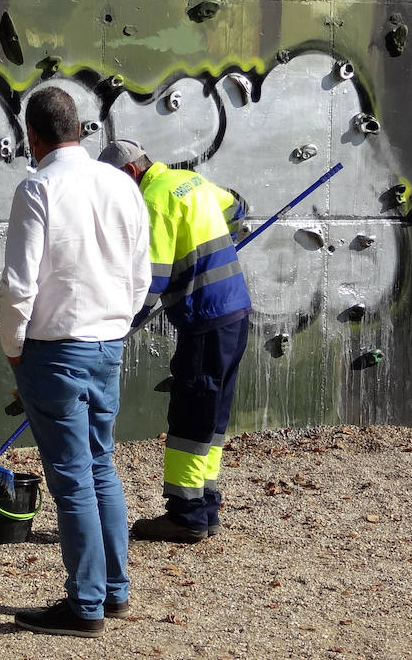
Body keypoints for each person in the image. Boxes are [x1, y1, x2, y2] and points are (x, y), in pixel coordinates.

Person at [0, 88, 150, 638]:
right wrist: (116, 326)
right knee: (101, 464)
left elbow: (19, 284)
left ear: (31, 136)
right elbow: (140, 275)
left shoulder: (38, 187)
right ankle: (114, 591)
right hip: (108, 343)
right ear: (81, 130)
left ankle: (84, 605)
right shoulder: (121, 184)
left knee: (71, 479)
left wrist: (14, 348)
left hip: (53, 349)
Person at [97, 138, 252, 543]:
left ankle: (186, 516)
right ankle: (206, 504)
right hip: (235, 311)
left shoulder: (152, 203)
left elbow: (150, 282)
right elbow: (236, 205)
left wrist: (114, 329)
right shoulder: (187, 180)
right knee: (213, 414)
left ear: (131, 172)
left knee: (190, 416)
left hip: (205, 319)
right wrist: (223, 240)